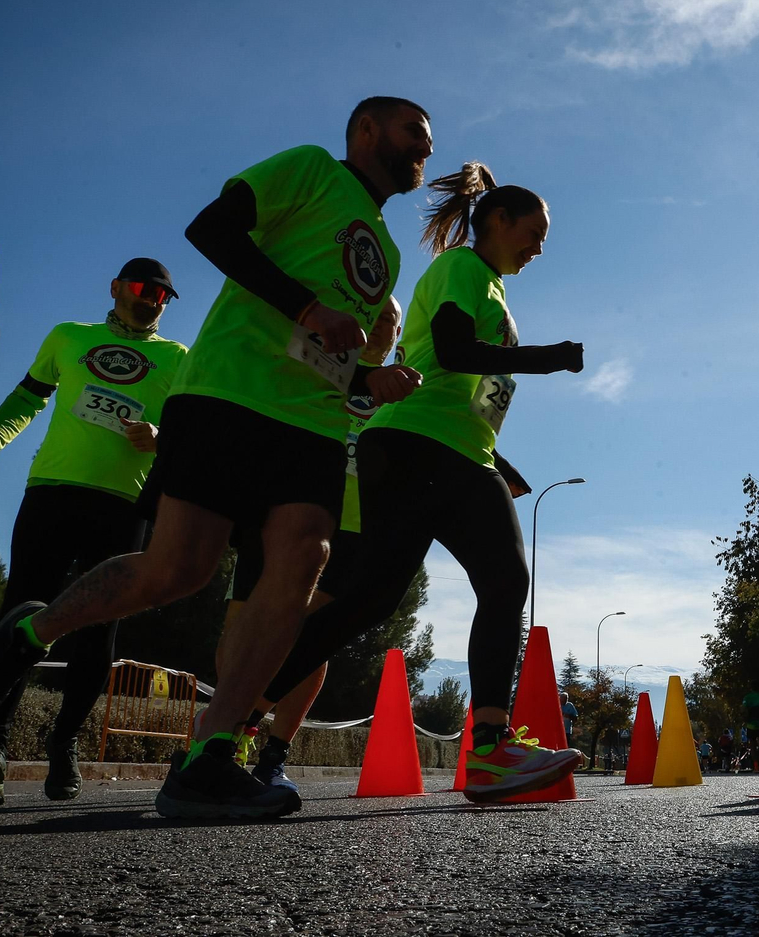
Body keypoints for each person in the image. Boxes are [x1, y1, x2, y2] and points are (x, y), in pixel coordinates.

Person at [0, 96, 431, 819]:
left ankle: (210, 750)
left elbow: (328, 348)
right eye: (412, 134)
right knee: (178, 569)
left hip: (313, 422)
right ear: (365, 131)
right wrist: (305, 308)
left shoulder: (387, 253)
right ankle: (27, 631)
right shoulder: (307, 169)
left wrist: (370, 377)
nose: (425, 149)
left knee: (306, 554)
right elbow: (211, 228)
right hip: (227, 395)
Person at [247, 161, 586, 803]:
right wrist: (548, 357)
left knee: (382, 598)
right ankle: (241, 719)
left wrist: (497, 454)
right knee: (477, 584)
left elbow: (459, 380)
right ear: (496, 221)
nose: (539, 248)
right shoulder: (465, 268)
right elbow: (455, 352)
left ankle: (485, 750)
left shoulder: (489, 284)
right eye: (533, 232)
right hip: (420, 447)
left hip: (449, 449)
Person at [0, 259, 187, 805]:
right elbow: (29, 395)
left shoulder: (179, 359)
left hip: (124, 504)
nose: (150, 298)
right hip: (52, 491)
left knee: (97, 628)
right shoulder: (68, 335)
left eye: (161, 294)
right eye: (140, 287)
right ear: (113, 287)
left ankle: (65, 746)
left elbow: (195, 427)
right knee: (21, 612)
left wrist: (162, 434)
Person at [218, 294, 402, 793]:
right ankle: (222, 736)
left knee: (308, 633)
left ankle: (271, 749)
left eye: (389, 320)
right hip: (277, 507)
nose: (379, 325)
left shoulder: (400, 388)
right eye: (372, 315)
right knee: (240, 626)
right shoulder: (312, 363)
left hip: (350, 526)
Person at [741, 688, 759, 773]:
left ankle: (756, 766)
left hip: (751, 725)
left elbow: (743, 709)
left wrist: (744, 716)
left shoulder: (748, 697)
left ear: (751, 688)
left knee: (753, 745)